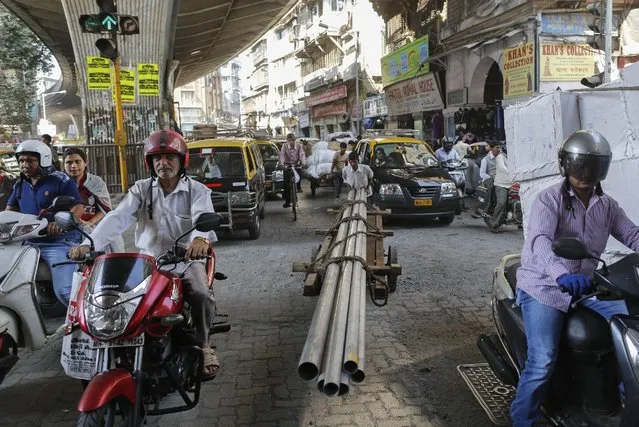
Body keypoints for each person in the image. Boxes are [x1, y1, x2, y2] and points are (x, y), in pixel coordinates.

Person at [510, 130, 639, 426]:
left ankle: (621, 397)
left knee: (630, 331)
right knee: (542, 360)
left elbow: (632, 234)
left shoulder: (607, 206)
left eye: (593, 167)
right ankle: (521, 420)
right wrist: (561, 274)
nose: (585, 173)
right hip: (545, 287)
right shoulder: (548, 200)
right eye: (579, 165)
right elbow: (540, 241)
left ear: (602, 170)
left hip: (586, 287)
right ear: (565, 165)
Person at [68, 130, 220, 380]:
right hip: (148, 262)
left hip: (185, 260)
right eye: (157, 158)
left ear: (182, 161)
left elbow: (203, 217)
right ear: (150, 163)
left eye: (170, 157)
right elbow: (118, 218)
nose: (163, 163)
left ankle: (204, 344)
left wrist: (200, 240)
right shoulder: (141, 189)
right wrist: (90, 244)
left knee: (201, 294)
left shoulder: (197, 190)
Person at [5, 140, 84, 305]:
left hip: (58, 241)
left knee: (66, 292)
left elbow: (78, 207)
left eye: (30, 161)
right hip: (27, 243)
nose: (24, 165)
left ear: (43, 160)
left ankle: (87, 322)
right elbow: (10, 211)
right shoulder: (20, 184)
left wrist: (62, 223)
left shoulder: (60, 180)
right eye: (21, 161)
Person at [63, 147, 124, 253]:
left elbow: (105, 210)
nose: (73, 166)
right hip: (68, 228)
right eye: (69, 162)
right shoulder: (60, 184)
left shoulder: (96, 182)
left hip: (95, 224)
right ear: (64, 165)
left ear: (85, 163)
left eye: (78, 161)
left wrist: (89, 222)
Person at [483, 148, 511, 233]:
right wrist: (513, 174)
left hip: (511, 183)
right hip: (501, 183)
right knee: (501, 203)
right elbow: (502, 168)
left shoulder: (512, 158)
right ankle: (493, 223)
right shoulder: (500, 157)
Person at [472, 140, 501, 218]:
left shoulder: (502, 157)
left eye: (500, 148)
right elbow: (482, 174)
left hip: (501, 179)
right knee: (492, 188)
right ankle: (487, 209)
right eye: (497, 147)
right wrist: (492, 178)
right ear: (492, 148)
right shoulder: (485, 159)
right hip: (489, 180)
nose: (499, 149)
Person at [278, 132, 306, 208]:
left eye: (293, 140)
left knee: (298, 178)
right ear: (287, 140)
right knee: (286, 184)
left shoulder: (299, 146)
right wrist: (282, 164)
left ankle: (297, 190)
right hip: (287, 166)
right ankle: (287, 201)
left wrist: (302, 163)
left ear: (295, 140)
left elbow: (302, 154)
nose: (291, 142)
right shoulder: (284, 146)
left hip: (296, 165)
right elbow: (282, 155)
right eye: (289, 140)